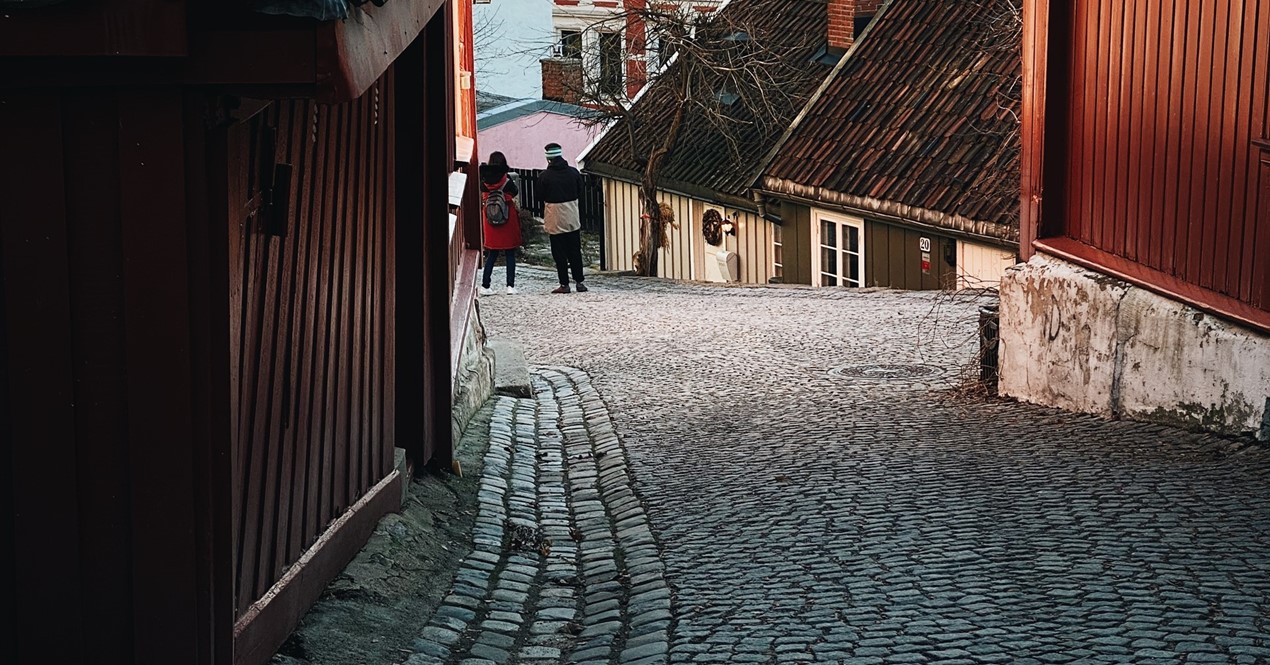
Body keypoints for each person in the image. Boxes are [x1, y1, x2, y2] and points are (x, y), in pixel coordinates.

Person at [536, 142, 587, 293]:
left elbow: (539, 196)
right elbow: (580, 190)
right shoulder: (573, 173)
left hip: (554, 215)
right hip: (571, 214)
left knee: (559, 252)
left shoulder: (544, 177)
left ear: (548, 158)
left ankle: (564, 284)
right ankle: (579, 282)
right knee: (574, 250)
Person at [479, 151, 522, 295]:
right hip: (507, 218)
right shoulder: (507, 180)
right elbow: (514, 192)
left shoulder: (484, 181)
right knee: (510, 253)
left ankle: (486, 285)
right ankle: (510, 286)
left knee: (492, 253)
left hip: (490, 219)